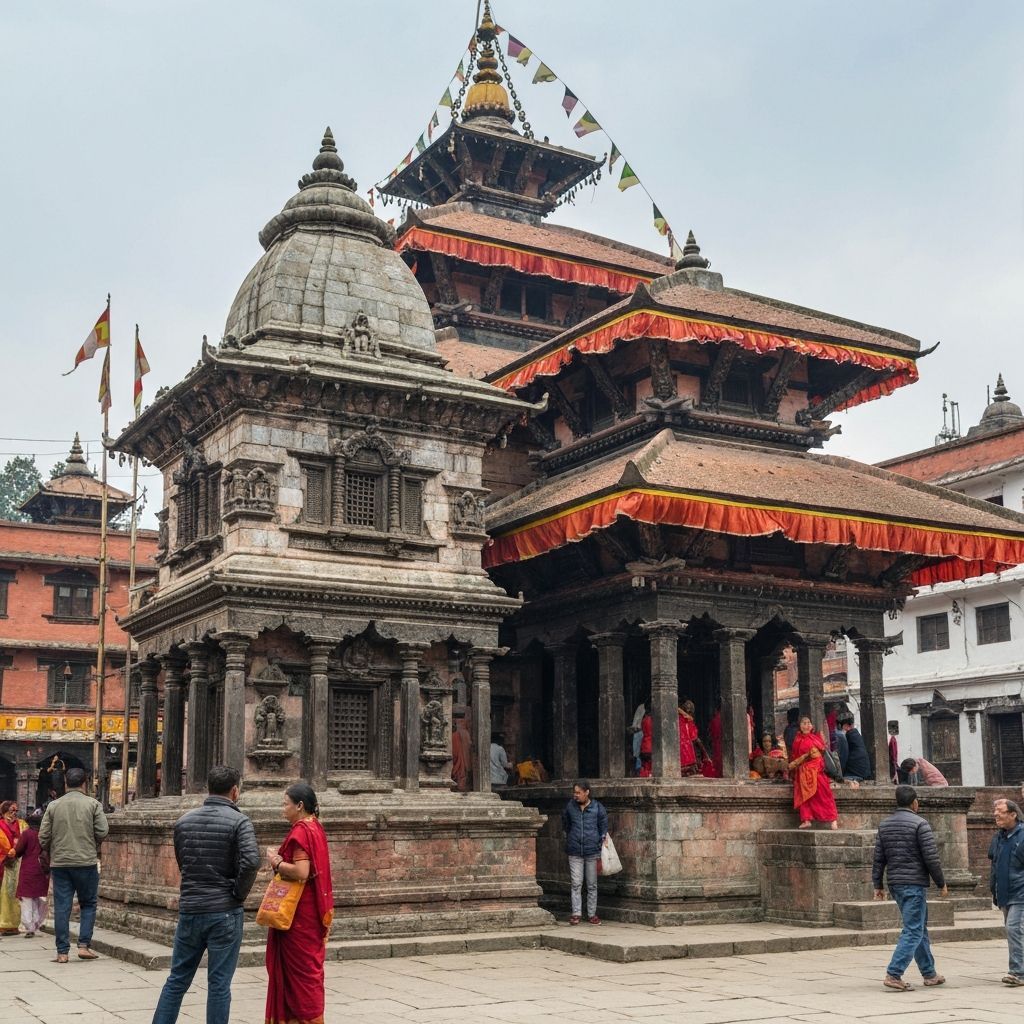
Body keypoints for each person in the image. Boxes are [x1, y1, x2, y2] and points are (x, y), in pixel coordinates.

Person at [151, 765, 259, 1024]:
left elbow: (183, 862)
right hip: (224, 909)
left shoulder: (184, 822)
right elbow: (251, 862)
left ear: (208, 788)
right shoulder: (240, 822)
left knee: (177, 978)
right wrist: (238, 893)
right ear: (235, 791)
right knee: (219, 983)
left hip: (191, 907)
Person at [265, 783, 334, 1024]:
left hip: (298, 915)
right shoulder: (316, 828)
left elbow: (302, 872)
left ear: (300, 805)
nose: (282, 809)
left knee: (301, 976)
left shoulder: (301, 832)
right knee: (308, 974)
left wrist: (276, 862)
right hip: (311, 912)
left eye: (285, 804)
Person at [872, 784, 948, 991]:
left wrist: (878, 884)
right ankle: (894, 973)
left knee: (918, 927)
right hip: (914, 883)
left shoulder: (885, 825)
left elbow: (879, 859)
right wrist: (941, 882)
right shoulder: (920, 824)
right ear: (915, 803)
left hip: (895, 883)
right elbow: (931, 858)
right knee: (914, 930)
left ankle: (929, 973)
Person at [38, 768, 107, 962]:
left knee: (62, 906)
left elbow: (43, 837)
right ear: (85, 782)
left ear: (66, 783)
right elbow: (102, 831)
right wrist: (91, 843)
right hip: (86, 861)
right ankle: (84, 945)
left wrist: (53, 848)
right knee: (88, 903)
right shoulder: (93, 804)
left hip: (60, 863)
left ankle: (62, 952)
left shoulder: (54, 806)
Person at [561, 779, 608, 926]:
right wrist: (571, 837)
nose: (575, 795)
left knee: (592, 884)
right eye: (574, 792)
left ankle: (592, 914)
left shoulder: (597, 807)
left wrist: (600, 841)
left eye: (578, 793)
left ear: (587, 792)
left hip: (592, 851)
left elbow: (603, 827)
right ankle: (576, 913)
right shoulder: (570, 807)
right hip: (575, 850)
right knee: (576, 883)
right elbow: (566, 824)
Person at [989, 798, 1024, 986]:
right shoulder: (999, 837)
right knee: (1015, 932)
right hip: (1003, 893)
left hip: (1020, 893)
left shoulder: (1022, 835)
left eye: (1001, 812)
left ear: (1013, 814)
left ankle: (1018, 972)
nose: (996, 815)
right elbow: (994, 866)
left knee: (1014, 929)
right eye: (995, 811)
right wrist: (993, 890)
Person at [788, 716, 838, 829]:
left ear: (811, 726)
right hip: (803, 773)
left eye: (808, 723)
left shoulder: (816, 738)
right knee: (804, 797)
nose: (806, 726)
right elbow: (795, 756)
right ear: (800, 726)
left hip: (816, 771)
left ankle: (833, 819)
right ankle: (806, 819)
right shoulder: (797, 740)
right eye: (804, 723)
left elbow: (821, 756)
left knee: (824, 795)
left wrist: (812, 767)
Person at [15, 810, 49, 938]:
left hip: (28, 868)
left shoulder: (27, 834)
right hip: (42, 868)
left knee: (27, 898)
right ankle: (37, 923)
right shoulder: (45, 834)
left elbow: (18, 850)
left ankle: (29, 926)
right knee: (38, 897)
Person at [0, 802, 26, 934]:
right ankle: (3, 924)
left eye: (16, 811)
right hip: (3, 865)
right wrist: (6, 854)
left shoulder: (22, 825)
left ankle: (14, 924)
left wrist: (16, 851)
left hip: (19, 863)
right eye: (11, 811)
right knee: (4, 894)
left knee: (16, 895)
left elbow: (28, 841)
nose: (14, 813)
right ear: (4, 812)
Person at [838, 713, 872, 784]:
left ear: (846, 726)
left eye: (841, 726)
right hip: (864, 772)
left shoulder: (847, 736)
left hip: (856, 773)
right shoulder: (855, 735)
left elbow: (844, 757)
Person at [451, 714, 471, 792]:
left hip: (461, 758)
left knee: (461, 771)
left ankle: (460, 785)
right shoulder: (464, 733)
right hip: (463, 758)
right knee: (462, 771)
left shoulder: (456, 735)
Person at [678, 701, 699, 776]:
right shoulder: (684, 718)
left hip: (685, 741)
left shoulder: (688, 719)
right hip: (684, 742)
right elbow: (693, 736)